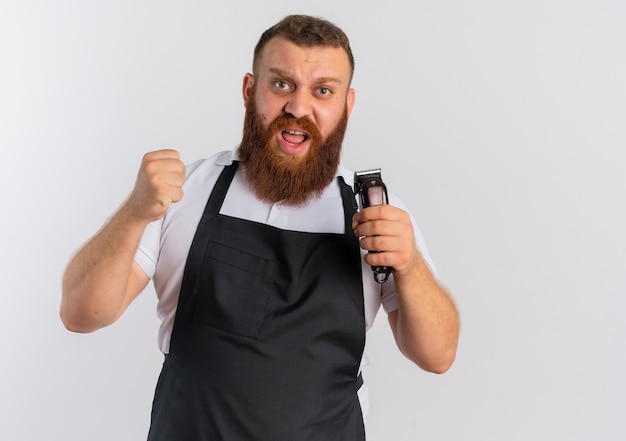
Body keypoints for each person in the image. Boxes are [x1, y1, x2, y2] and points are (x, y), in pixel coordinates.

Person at [60, 14, 460, 440]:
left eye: (322, 91)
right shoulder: (185, 193)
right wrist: (135, 212)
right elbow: (82, 314)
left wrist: (410, 265)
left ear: (347, 104)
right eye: (281, 84)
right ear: (250, 90)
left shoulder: (377, 215)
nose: (298, 107)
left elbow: (437, 356)